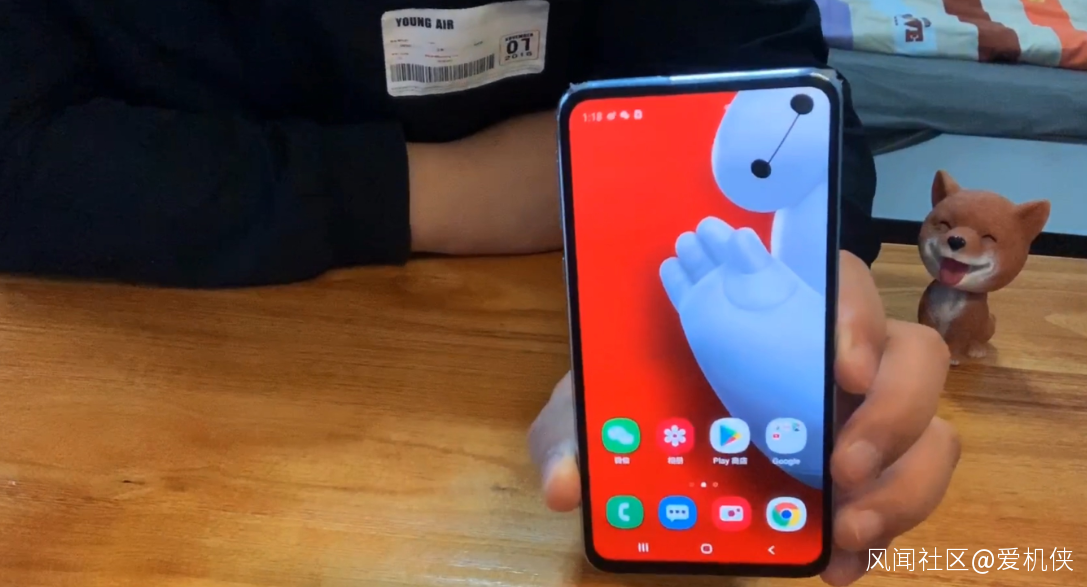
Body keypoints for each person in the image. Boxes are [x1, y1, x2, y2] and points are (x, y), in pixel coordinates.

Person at [2, 1, 958, 585]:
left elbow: (761, 87)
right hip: (124, 393)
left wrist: (815, 275)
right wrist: (447, 190)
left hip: (537, 345)